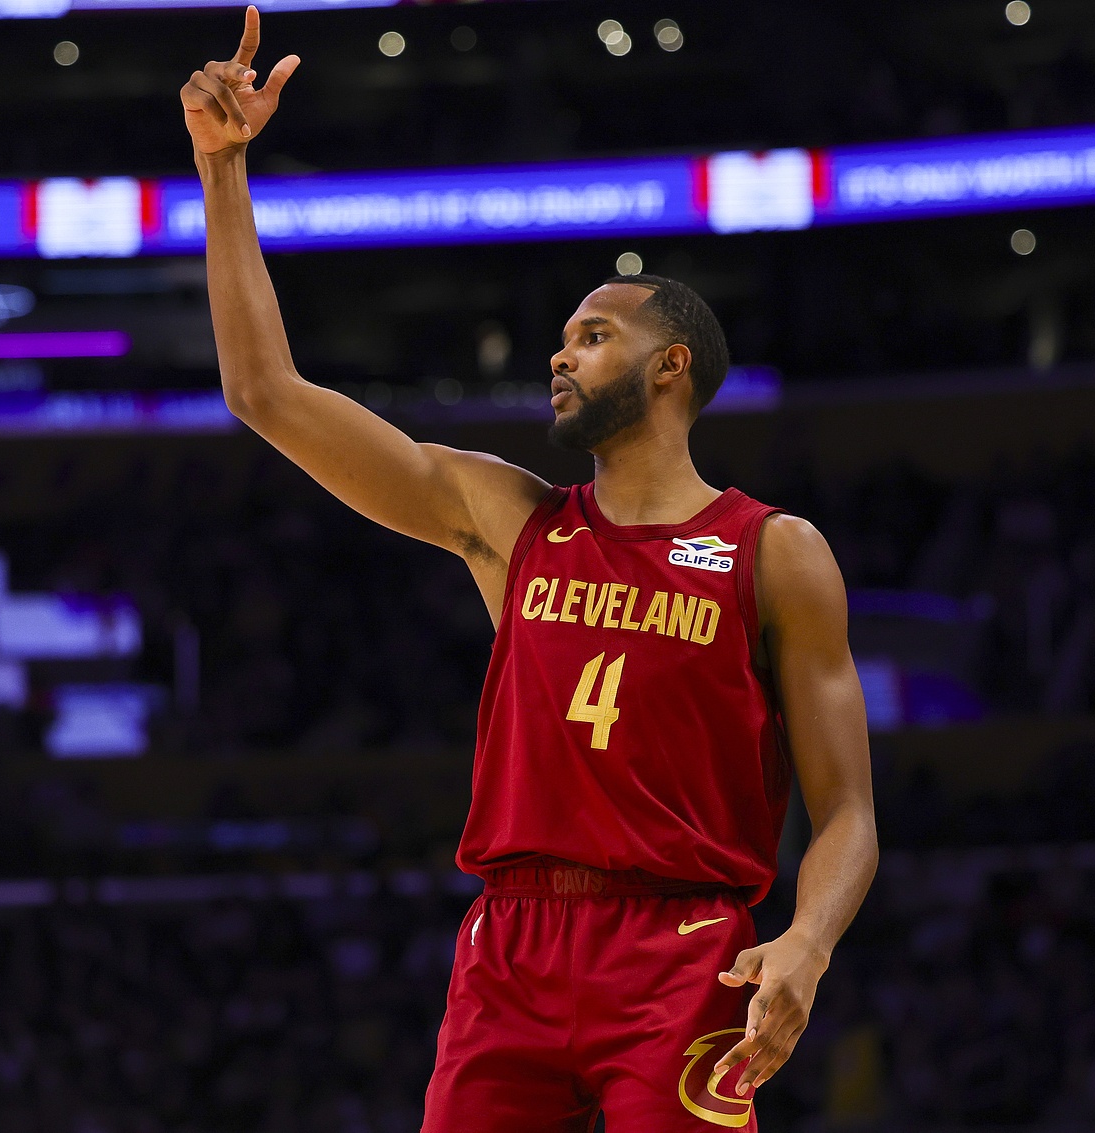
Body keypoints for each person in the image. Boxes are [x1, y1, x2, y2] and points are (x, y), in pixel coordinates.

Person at [180, 10, 878, 1129]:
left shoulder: (773, 549)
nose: (561, 351)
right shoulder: (511, 520)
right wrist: (223, 172)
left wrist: (808, 938)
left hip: (682, 945)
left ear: (671, 365)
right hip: (508, 943)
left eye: (593, 334)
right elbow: (264, 393)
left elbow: (846, 809)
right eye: (563, 336)